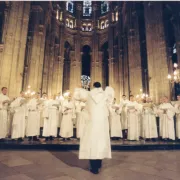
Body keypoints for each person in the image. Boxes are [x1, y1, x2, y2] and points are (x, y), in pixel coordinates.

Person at [79, 82, 111, 174]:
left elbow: (85, 107)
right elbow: (108, 107)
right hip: (101, 123)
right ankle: (98, 163)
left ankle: (93, 167)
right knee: (100, 141)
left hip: (92, 122)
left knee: (91, 142)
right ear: (101, 87)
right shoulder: (105, 94)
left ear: (93, 87)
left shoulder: (89, 94)